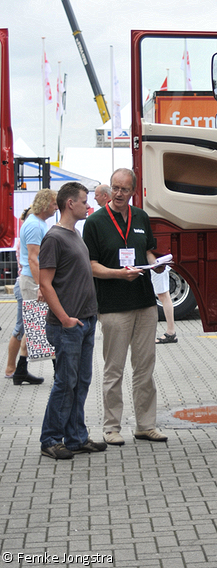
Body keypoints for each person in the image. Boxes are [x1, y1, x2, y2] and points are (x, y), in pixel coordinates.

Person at [82, 168, 168, 445]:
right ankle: (111, 427)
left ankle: (145, 425)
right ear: (110, 189)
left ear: (133, 191)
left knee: (145, 367)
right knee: (114, 369)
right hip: (113, 305)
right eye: (115, 188)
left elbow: (147, 250)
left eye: (125, 190)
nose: (119, 194)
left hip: (144, 303)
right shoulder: (94, 222)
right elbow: (91, 266)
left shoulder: (141, 217)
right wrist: (118, 273)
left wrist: (155, 264)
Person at [39, 182, 106, 460]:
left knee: (81, 382)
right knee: (65, 383)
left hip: (85, 322)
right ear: (70, 204)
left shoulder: (74, 233)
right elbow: (45, 283)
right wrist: (65, 319)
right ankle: (51, 439)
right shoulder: (54, 238)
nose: (88, 206)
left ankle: (76, 437)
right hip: (68, 326)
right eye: (84, 201)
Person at [14, 189, 58, 385]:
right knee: (43, 324)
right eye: (54, 204)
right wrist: (42, 285)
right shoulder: (34, 225)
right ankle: (59, 372)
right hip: (33, 280)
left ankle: (21, 370)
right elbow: (33, 258)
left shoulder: (36, 223)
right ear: (45, 204)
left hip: (34, 279)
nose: (56, 208)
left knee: (35, 325)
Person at [4, 209, 30, 378]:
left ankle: (16, 367)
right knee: (20, 328)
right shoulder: (27, 237)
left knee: (23, 328)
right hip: (25, 283)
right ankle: (11, 368)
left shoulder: (23, 237)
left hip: (23, 283)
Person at [152, 266, 178, 344]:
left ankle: (171, 332)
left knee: (163, 295)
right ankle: (171, 332)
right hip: (154, 263)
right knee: (163, 295)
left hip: (158, 263)